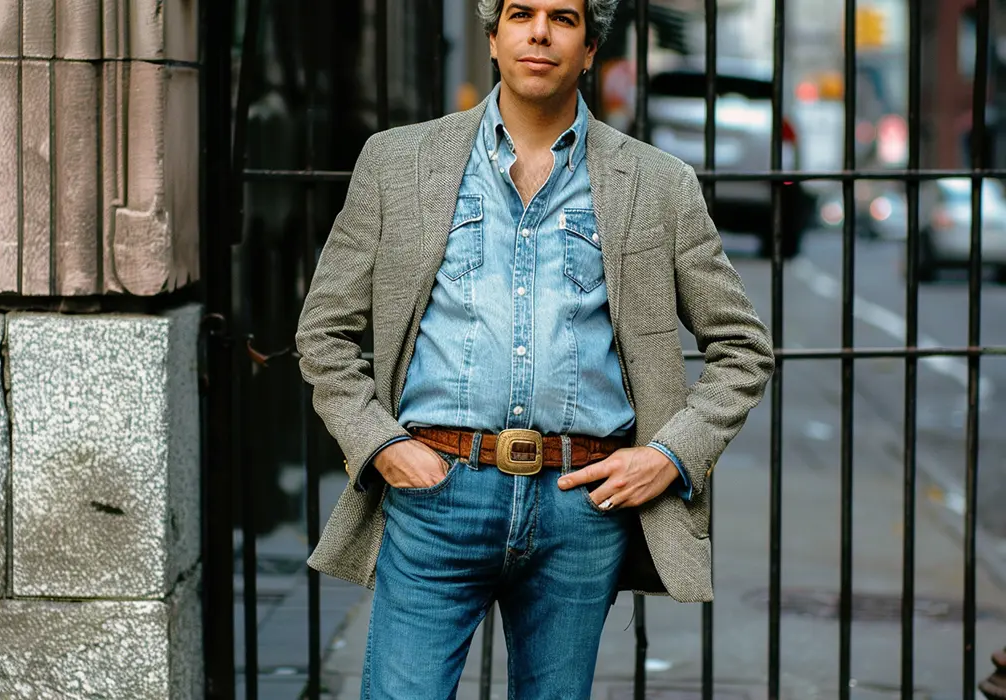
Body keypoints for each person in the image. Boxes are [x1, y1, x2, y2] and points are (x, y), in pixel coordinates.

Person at [295, 0, 774, 696]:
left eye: (564, 18)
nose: (540, 32)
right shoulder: (398, 163)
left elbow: (742, 347)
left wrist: (669, 457)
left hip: (580, 508)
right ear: (493, 38)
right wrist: (381, 443)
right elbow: (324, 333)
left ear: (588, 50)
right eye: (521, 13)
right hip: (437, 496)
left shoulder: (658, 184)